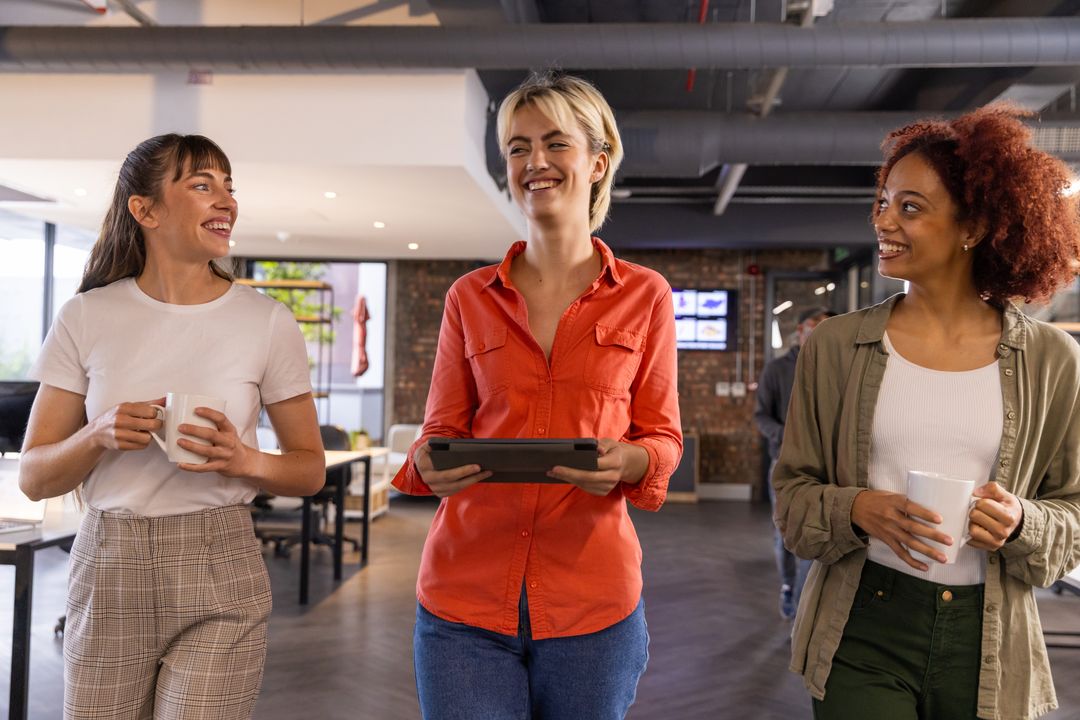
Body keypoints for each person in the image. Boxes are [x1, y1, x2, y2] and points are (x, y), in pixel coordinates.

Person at [774, 105, 1080, 720]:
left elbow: (1071, 514)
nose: (883, 219)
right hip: (863, 626)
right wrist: (856, 509)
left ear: (973, 226)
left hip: (988, 637)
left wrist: (1021, 521)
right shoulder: (835, 347)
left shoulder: (1054, 359)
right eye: (884, 202)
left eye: (909, 207)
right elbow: (791, 499)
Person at [392, 72, 682, 720]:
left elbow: (662, 438)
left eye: (556, 143)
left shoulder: (646, 295)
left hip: (593, 605)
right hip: (463, 602)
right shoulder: (470, 297)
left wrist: (629, 462)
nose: (534, 163)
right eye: (518, 148)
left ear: (598, 162)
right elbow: (437, 431)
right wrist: (429, 466)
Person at [18, 134, 325, 720]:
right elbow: (34, 477)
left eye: (229, 187)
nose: (226, 201)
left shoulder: (266, 322)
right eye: (203, 185)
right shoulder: (87, 315)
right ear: (146, 209)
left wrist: (245, 460)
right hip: (109, 567)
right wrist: (97, 432)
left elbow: (308, 468)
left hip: (222, 566)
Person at [754, 306, 834, 619]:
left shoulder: (842, 368)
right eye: (815, 327)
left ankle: (807, 601)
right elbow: (761, 415)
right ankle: (789, 587)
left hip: (829, 467)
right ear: (801, 330)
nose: (819, 335)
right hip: (784, 464)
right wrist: (786, 435)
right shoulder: (776, 370)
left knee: (815, 533)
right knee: (785, 532)